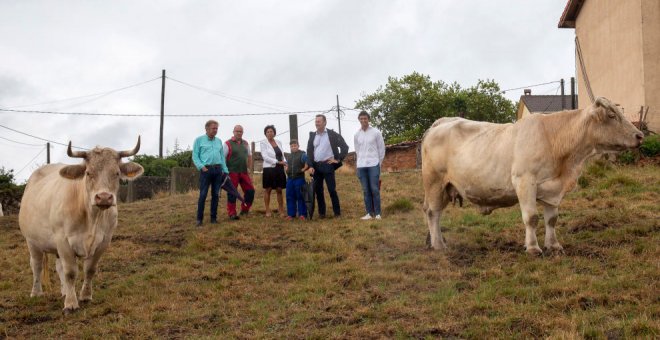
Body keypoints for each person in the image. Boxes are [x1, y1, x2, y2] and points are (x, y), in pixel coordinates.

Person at [306, 114, 349, 218]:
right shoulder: (312, 136)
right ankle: (322, 213)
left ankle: (337, 213)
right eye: (316, 121)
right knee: (318, 191)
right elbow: (309, 152)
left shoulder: (332, 134)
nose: (317, 123)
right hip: (316, 166)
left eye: (319, 121)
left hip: (328, 165)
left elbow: (344, 147)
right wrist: (310, 166)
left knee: (331, 189)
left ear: (325, 122)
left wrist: (337, 159)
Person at [192, 120, 229, 227]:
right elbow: (195, 156)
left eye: (216, 128)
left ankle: (213, 218)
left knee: (216, 195)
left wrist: (225, 171)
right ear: (207, 129)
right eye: (213, 128)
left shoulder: (218, 141)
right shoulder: (199, 140)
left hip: (218, 170)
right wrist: (201, 167)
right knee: (203, 195)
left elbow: (222, 157)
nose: (215, 130)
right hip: (206, 170)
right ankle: (199, 219)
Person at [354, 110, 386, 220]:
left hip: (373, 164)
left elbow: (381, 149)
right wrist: (358, 164)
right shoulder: (357, 134)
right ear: (359, 120)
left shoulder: (376, 132)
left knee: (374, 189)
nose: (363, 120)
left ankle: (377, 213)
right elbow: (357, 150)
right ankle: (369, 213)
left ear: (368, 119)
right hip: (361, 165)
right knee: (366, 190)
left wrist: (378, 163)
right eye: (361, 118)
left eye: (365, 118)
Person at [223, 125, 255, 220]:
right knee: (232, 192)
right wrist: (225, 172)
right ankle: (232, 213)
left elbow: (249, 156)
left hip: (244, 171)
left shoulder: (245, 143)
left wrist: (249, 169)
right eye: (237, 131)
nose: (239, 133)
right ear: (233, 132)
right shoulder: (227, 144)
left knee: (250, 191)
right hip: (231, 171)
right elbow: (223, 158)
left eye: (240, 131)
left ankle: (245, 210)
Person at [259, 125, 287, 217]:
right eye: (268, 132)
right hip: (269, 168)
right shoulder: (263, 143)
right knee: (268, 189)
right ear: (265, 134)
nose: (270, 133)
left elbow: (282, 155)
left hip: (279, 169)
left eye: (271, 131)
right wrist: (278, 162)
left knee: (279, 189)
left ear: (274, 133)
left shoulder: (279, 142)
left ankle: (281, 210)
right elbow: (265, 157)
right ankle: (267, 210)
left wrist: (285, 163)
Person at [284, 139, 310, 220]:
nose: (293, 147)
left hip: (299, 178)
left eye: (295, 145)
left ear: (298, 146)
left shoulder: (303, 154)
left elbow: (307, 162)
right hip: (290, 179)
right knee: (290, 196)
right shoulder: (289, 156)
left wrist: (303, 169)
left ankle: (302, 214)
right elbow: (287, 165)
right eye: (292, 146)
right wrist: (286, 169)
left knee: (300, 196)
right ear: (290, 147)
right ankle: (291, 214)